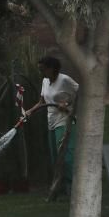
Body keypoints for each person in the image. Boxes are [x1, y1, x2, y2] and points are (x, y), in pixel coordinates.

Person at [38, 55, 80, 195]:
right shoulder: (45, 81)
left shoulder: (65, 80)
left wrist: (67, 104)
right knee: (55, 157)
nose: (41, 72)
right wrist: (29, 111)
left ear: (52, 69)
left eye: (43, 69)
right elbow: (42, 101)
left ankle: (74, 187)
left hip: (64, 120)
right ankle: (60, 188)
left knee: (65, 155)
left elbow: (81, 92)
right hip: (51, 121)